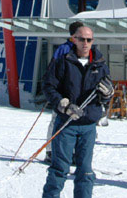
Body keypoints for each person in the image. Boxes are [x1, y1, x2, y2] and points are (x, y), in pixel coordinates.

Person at [42, 25, 113, 198]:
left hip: (88, 125)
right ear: (74, 39)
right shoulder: (63, 60)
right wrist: (63, 104)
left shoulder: (100, 63)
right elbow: (48, 86)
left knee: (85, 171)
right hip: (67, 124)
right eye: (81, 39)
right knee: (60, 169)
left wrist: (107, 94)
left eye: (89, 40)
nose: (85, 43)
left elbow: (105, 92)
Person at [44, 20, 85, 164]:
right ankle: (50, 151)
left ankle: (72, 152)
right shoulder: (63, 49)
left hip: (78, 93)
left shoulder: (83, 50)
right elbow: (52, 71)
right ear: (74, 35)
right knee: (57, 120)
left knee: (75, 122)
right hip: (63, 93)